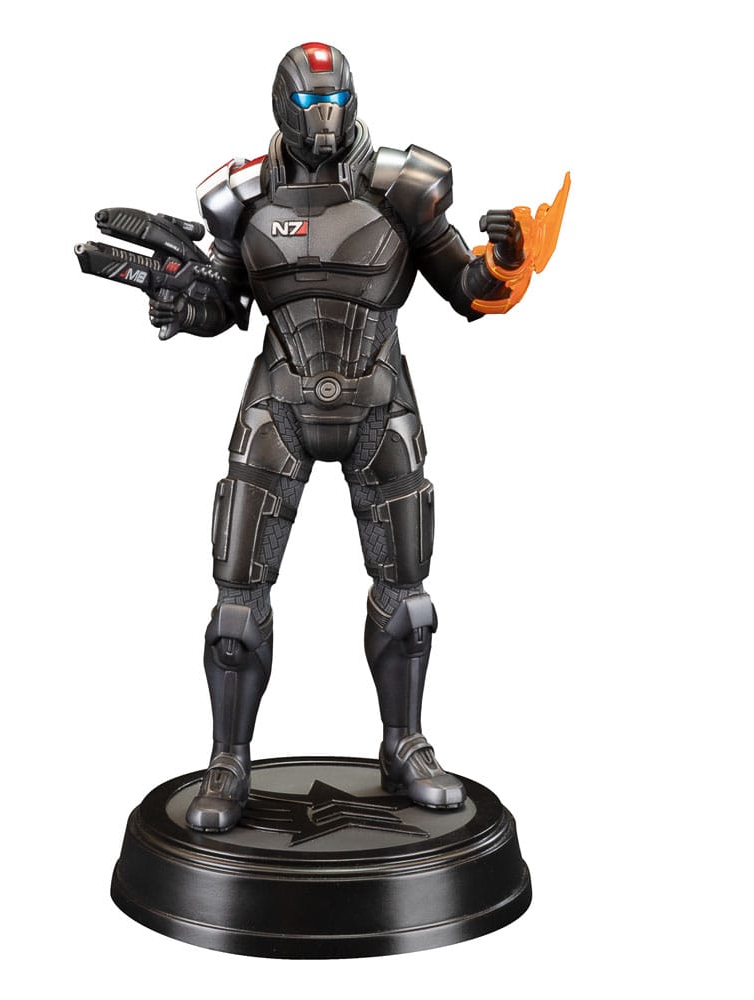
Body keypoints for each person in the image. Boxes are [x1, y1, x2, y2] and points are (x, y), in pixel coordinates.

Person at [148, 42, 527, 832]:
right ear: (281, 106)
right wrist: (180, 300)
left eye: (333, 102)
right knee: (237, 600)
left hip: (379, 404)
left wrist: (507, 257)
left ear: (352, 101)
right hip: (278, 402)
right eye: (306, 104)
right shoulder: (242, 194)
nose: (322, 119)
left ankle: (405, 744)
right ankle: (228, 759)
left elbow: (469, 289)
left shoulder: (403, 187)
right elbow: (224, 302)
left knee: (408, 596)